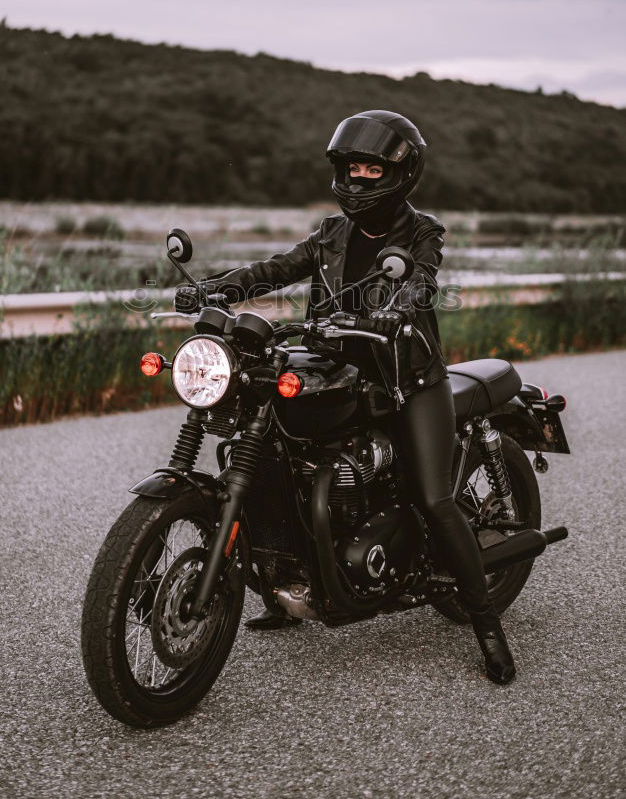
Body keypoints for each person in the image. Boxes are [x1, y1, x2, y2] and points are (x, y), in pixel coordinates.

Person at [176, 109, 516, 685]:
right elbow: (276, 268)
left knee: (436, 499)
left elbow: (421, 278)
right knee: (272, 451)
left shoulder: (422, 230)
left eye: (371, 168)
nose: (359, 178)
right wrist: (217, 287)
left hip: (406, 379)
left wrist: (398, 304)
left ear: (398, 174)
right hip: (336, 367)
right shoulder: (331, 233)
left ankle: (487, 626)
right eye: (352, 167)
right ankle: (282, 589)